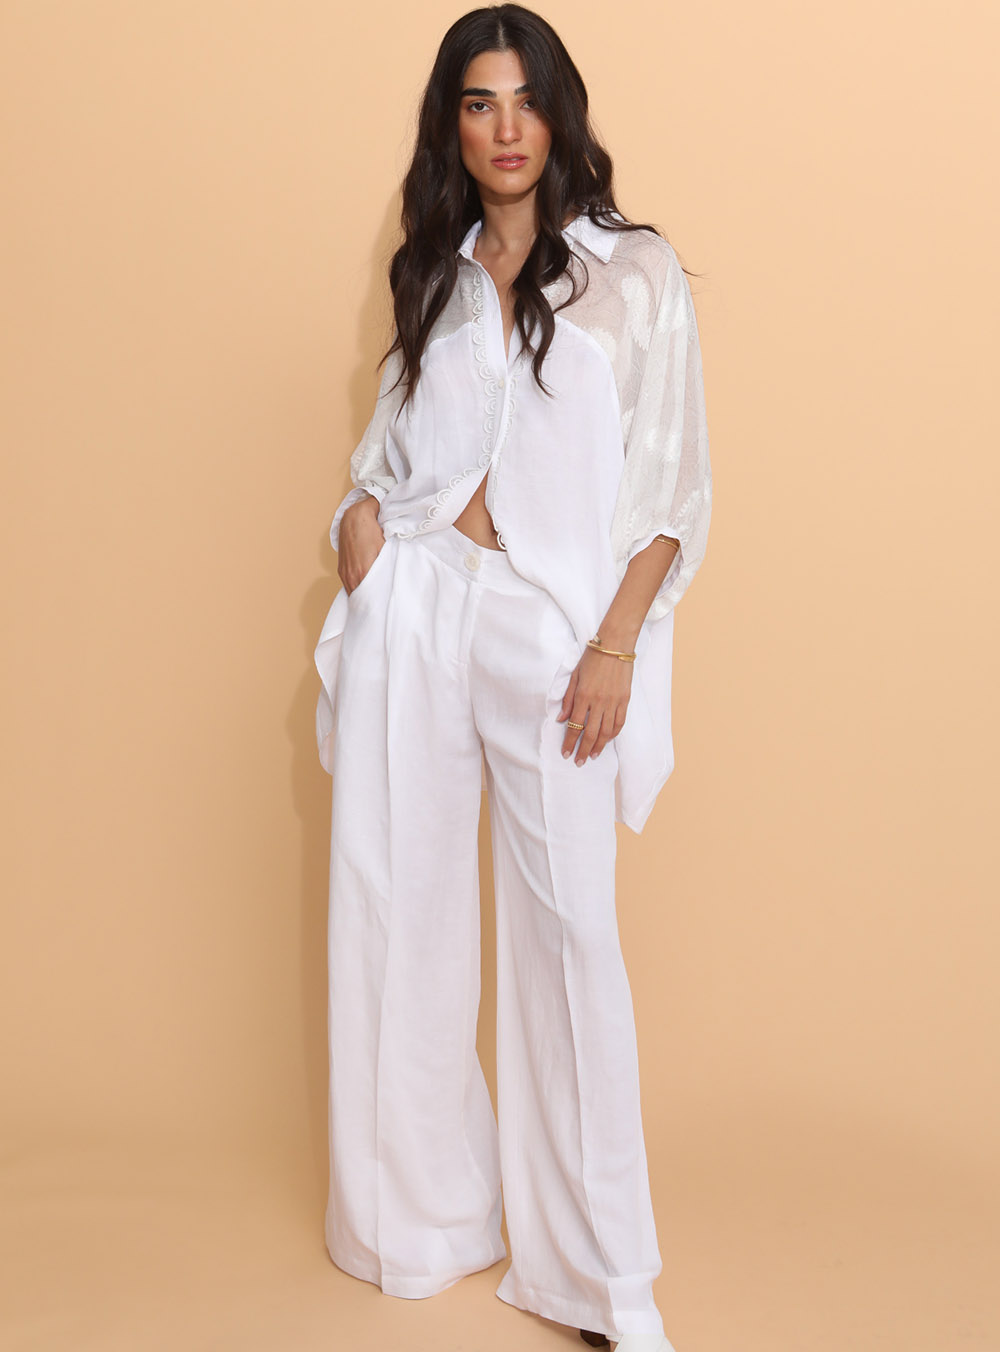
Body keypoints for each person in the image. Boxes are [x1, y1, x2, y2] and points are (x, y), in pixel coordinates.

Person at [312, 6, 712, 1350]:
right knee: (399, 906)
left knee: (571, 938)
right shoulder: (435, 272)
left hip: (553, 636)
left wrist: (614, 645)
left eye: (526, 100)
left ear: (560, 113)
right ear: (452, 123)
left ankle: (604, 1283)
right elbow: (388, 456)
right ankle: (424, 1223)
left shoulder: (630, 276)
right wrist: (357, 524)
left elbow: (672, 494)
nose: (505, 128)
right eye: (479, 103)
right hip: (422, 609)